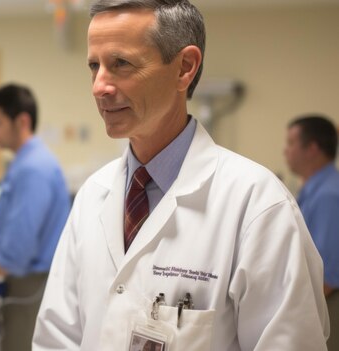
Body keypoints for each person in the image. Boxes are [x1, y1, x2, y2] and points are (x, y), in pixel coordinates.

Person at [33, 1, 329, 350]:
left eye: (121, 64)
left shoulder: (258, 205)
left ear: (184, 68)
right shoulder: (92, 196)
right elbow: (57, 337)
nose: (99, 86)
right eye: (94, 66)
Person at [0, 83, 71, 351]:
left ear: (22, 121)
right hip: (28, 277)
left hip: (31, 285)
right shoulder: (27, 161)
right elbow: (19, 232)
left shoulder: (33, 168)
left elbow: (20, 249)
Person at [284, 114, 339, 350]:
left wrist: (296, 312)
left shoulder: (328, 196)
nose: (285, 151)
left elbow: (329, 274)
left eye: (291, 143)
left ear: (312, 148)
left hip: (326, 306)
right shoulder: (311, 192)